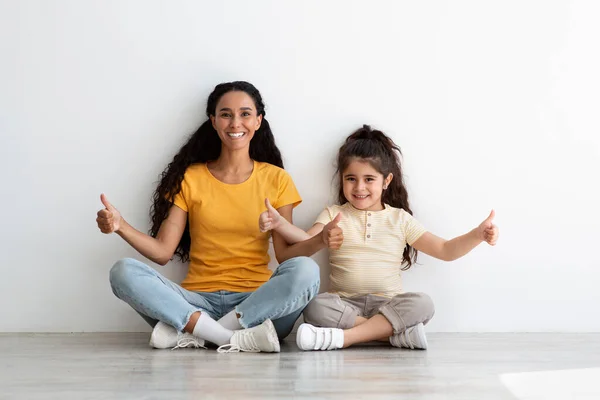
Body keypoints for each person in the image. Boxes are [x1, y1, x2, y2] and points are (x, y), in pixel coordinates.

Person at [96, 81, 320, 353]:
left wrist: (321, 241)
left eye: (245, 114)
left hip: (257, 305)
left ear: (258, 121)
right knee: (123, 272)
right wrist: (121, 227)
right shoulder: (191, 178)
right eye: (226, 114)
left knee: (307, 271)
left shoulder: (276, 179)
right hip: (194, 304)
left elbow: (286, 256)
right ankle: (229, 338)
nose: (235, 122)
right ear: (213, 121)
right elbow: (162, 252)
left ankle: (204, 334)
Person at [259, 124, 499, 351]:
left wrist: (477, 235)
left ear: (387, 181)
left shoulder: (400, 219)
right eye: (351, 179)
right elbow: (304, 239)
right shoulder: (334, 213)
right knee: (313, 306)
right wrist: (280, 224)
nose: (359, 187)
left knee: (423, 303)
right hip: (344, 305)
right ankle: (391, 335)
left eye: (369, 179)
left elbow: (445, 250)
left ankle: (344, 338)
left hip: (388, 306)